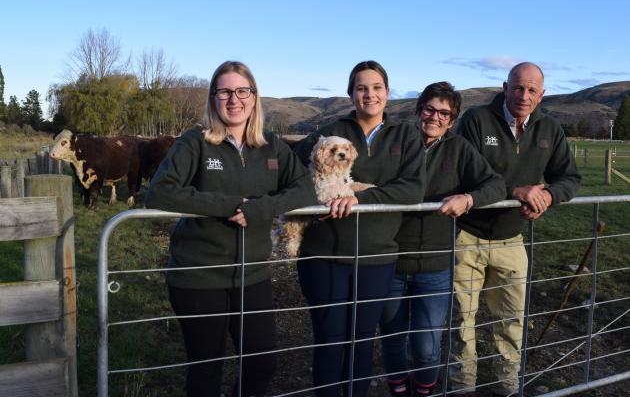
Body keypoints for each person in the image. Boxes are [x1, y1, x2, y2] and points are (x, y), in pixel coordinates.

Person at [145, 61, 316, 397]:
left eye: (242, 91)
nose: (233, 99)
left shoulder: (272, 145)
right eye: (224, 91)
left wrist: (260, 208)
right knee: (206, 370)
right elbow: (159, 191)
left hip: (252, 274)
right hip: (199, 275)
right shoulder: (195, 141)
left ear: (254, 97)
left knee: (262, 364)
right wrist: (230, 206)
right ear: (213, 98)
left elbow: (305, 188)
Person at [294, 60, 427, 397]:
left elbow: (413, 188)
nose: (370, 94)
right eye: (362, 88)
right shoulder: (329, 133)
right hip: (324, 254)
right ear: (351, 93)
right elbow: (293, 172)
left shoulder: (405, 136)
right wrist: (322, 193)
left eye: (377, 87)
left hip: (377, 256)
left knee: (363, 341)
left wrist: (358, 195)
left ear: (387, 91)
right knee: (329, 339)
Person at [451, 62, 581, 396]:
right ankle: (462, 386)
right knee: (460, 321)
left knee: (511, 321)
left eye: (532, 89)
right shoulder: (477, 120)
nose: (524, 96)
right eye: (518, 87)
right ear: (504, 87)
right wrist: (516, 190)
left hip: (512, 239)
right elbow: (467, 173)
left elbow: (570, 178)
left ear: (542, 94)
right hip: (466, 236)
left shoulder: (549, 130)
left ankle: (506, 387)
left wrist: (549, 196)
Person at [379, 82, 506, 396]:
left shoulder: (459, 148)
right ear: (418, 110)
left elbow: (495, 185)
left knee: (426, 343)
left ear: (452, 120)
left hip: (435, 265)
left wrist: (468, 198)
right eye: (429, 109)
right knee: (392, 337)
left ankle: (423, 390)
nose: (435, 117)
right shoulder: (394, 142)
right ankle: (397, 389)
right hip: (389, 259)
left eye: (444, 113)